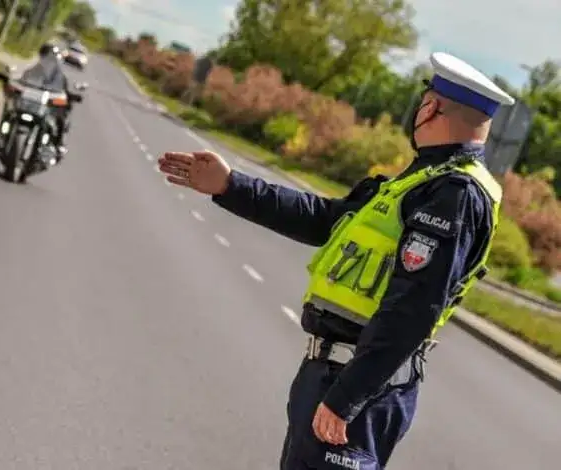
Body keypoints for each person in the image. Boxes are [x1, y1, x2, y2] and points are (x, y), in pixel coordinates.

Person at [157, 52, 515, 469]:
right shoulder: (419, 181)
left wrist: (347, 398)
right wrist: (232, 186)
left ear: (431, 107)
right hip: (332, 374)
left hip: (359, 388)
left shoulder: (454, 194)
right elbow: (325, 219)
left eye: (424, 100)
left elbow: (414, 308)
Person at [0, 42, 75, 162]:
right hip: (29, 105)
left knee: (61, 118)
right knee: (10, 109)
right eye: (46, 55)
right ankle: (2, 136)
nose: (48, 59)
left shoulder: (60, 76)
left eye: (51, 56)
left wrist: (69, 97)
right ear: (41, 55)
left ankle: (58, 145)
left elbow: (65, 91)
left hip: (46, 108)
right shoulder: (32, 69)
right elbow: (21, 79)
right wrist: (10, 81)